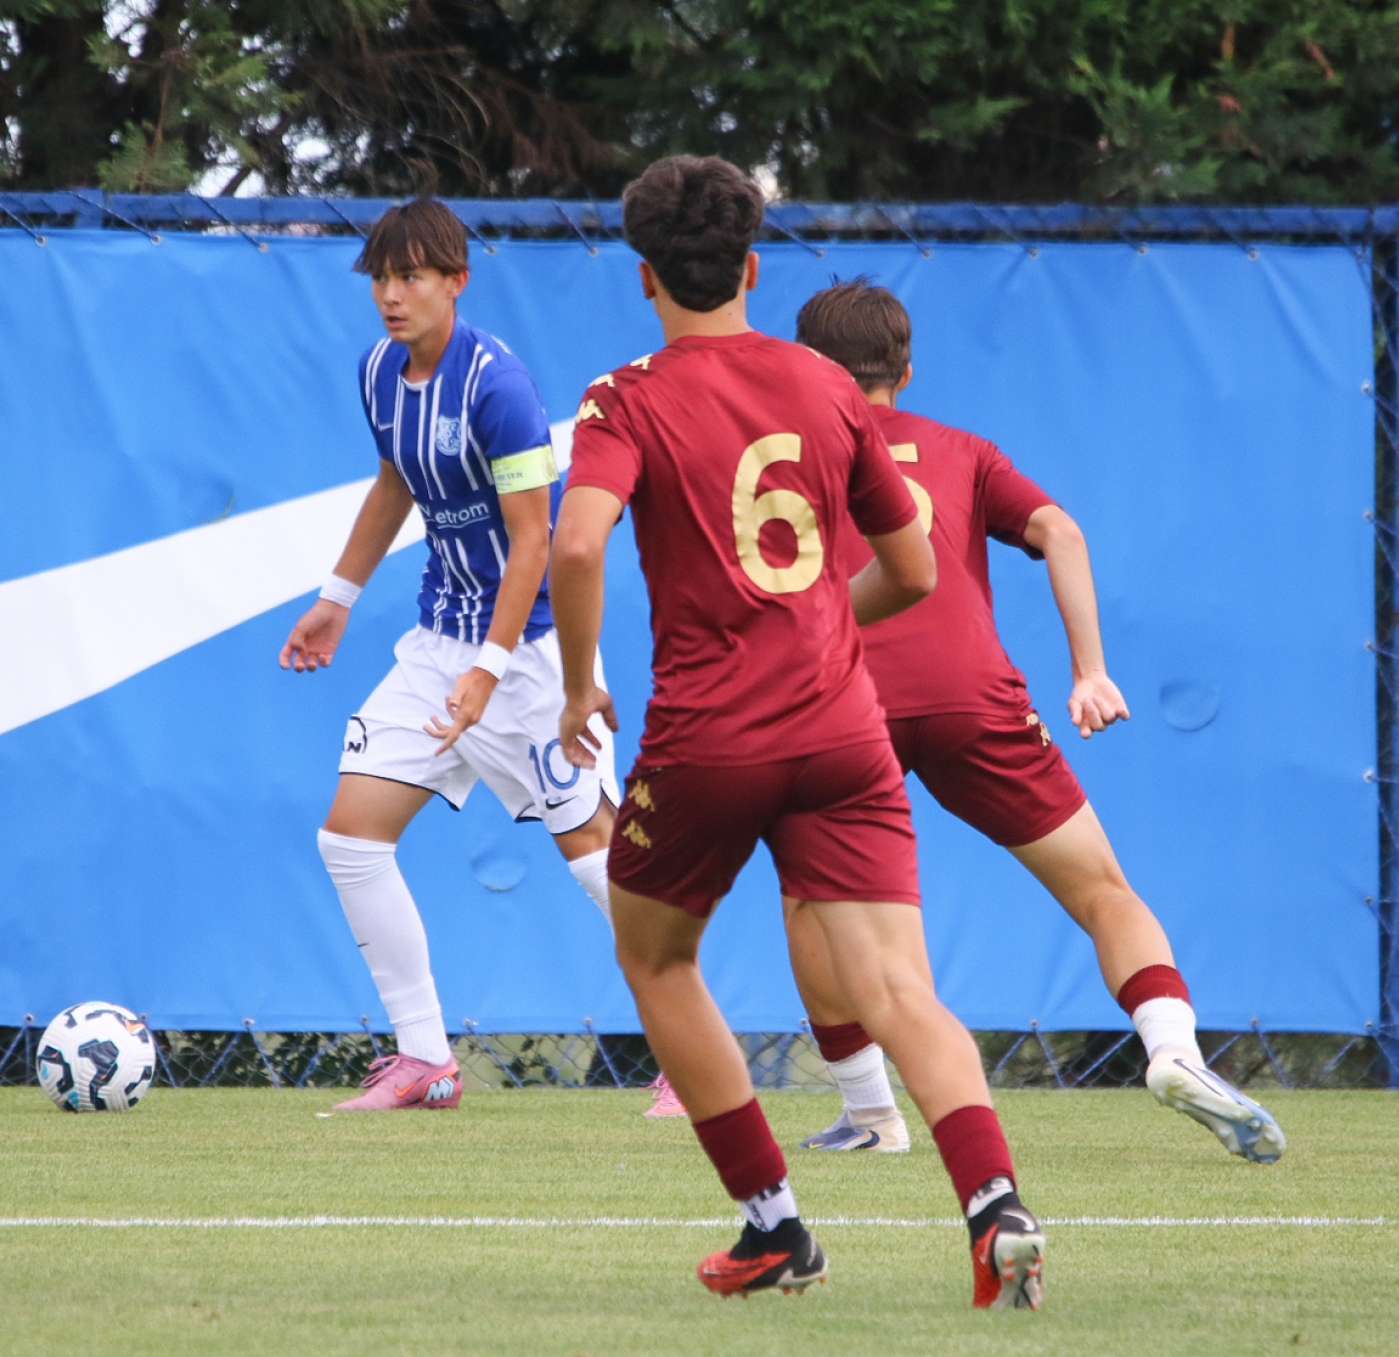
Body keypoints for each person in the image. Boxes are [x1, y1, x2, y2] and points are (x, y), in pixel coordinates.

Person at [550, 156, 1046, 1311]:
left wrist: (577, 686)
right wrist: (817, 621)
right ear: (754, 268)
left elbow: (575, 544)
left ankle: (774, 1224)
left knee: (656, 956)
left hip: (710, 736)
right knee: (900, 987)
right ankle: (996, 1205)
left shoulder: (624, 396)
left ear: (643, 276)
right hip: (840, 729)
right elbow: (913, 568)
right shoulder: (826, 385)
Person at [782, 278, 1285, 1164]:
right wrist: (1089, 671)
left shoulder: (787, 459)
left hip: (845, 700)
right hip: (974, 695)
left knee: (809, 904)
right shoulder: (963, 450)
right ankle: (1173, 1048)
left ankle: (871, 1113)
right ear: (907, 371)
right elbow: (1062, 531)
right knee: (1103, 891)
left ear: (809, 369)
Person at [280, 197, 618, 1113]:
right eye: (381, 279)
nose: (391, 295)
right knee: (350, 838)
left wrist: (491, 669)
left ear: (456, 281)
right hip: (439, 645)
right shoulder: (378, 373)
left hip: (531, 656)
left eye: (412, 277)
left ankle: (691, 1057)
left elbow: (535, 540)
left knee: (598, 856)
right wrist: (337, 599)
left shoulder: (499, 388)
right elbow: (395, 482)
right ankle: (426, 1060)